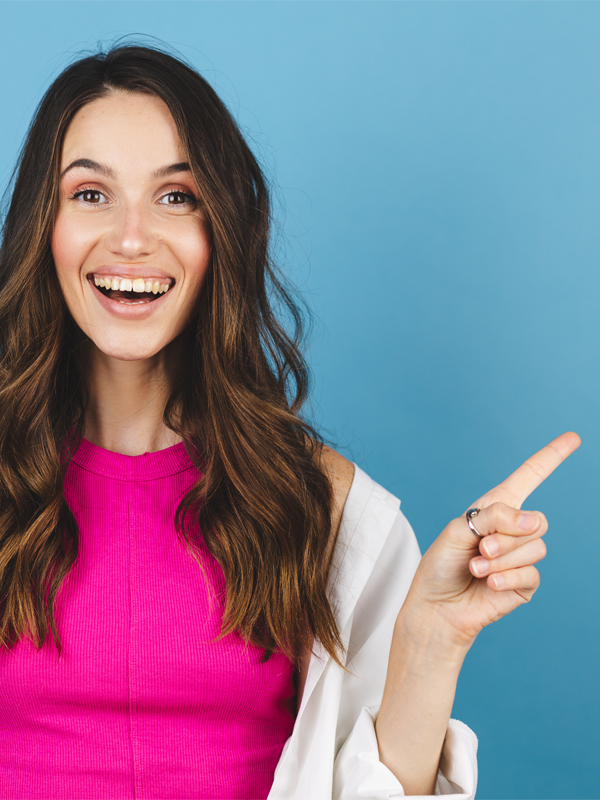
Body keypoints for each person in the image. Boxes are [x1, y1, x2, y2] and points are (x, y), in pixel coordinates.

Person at [0, 42, 580, 800]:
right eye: (90, 194)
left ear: (222, 235)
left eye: (178, 197)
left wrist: (431, 638)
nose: (132, 237)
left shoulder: (323, 506)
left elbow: (374, 791)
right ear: (44, 225)